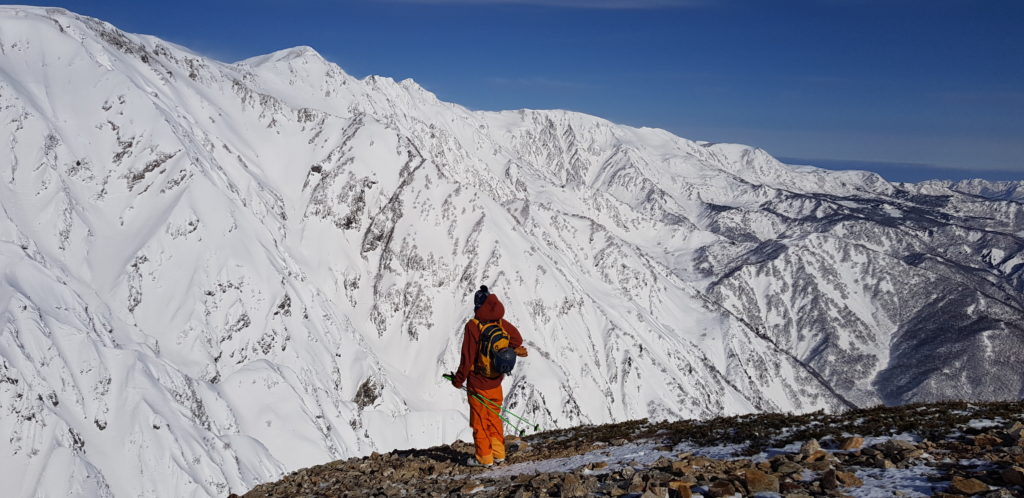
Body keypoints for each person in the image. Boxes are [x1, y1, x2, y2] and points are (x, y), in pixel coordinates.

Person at [450, 285, 528, 467]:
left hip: (478, 383)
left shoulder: (473, 326)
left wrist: (458, 380)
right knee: (493, 418)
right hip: (496, 382)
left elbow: (467, 358)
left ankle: (484, 458)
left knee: (479, 422)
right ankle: (499, 454)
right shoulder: (500, 322)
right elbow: (517, 340)